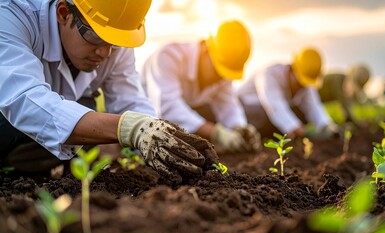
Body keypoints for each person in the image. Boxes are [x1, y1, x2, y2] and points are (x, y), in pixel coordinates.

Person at [0, 0, 218, 184]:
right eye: (96, 38)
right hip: (7, 115)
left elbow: (130, 100)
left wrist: (161, 136)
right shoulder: (12, 16)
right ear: (63, 12)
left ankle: (34, 172)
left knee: (87, 109)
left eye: (114, 43)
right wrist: (129, 129)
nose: (105, 53)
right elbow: (23, 99)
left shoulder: (115, 40)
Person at [140, 20, 261, 153]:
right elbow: (168, 108)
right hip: (146, 116)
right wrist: (216, 132)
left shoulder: (221, 72)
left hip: (188, 113)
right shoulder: (168, 57)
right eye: (218, 71)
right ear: (205, 49)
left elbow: (228, 105)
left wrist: (239, 127)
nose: (221, 78)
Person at [237, 47, 338, 139]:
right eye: (300, 83)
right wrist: (296, 128)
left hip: (271, 111)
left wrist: (326, 126)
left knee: (300, 113)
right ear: (292, 69)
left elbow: (314, 106)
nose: (302, 87)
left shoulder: (304, 84)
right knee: (265, 117)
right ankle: (252, 136)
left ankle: (276, 133)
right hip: (246, 107)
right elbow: (274, 107)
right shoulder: (269, 74)